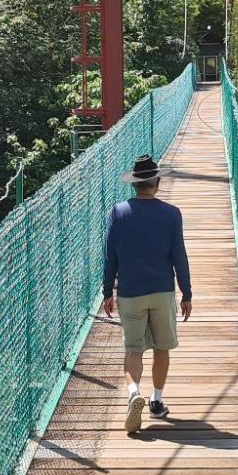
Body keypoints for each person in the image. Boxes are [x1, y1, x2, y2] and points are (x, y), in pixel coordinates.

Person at [101, 153, 193, 434]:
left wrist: (108, 291)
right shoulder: (172, 213)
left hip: (130, 292)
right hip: (162, 291)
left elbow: (109, 257)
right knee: (162, 348)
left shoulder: (117, 212)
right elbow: (179, 256)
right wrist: (186, 292)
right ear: (157, 181)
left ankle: (132, 393)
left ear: (134, 185)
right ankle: (157, 400)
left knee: (133, 350)